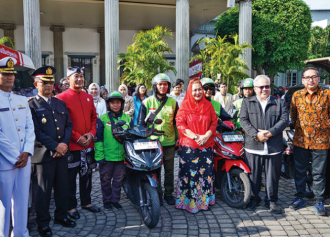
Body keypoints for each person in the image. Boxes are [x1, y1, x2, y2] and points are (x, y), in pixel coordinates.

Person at [29, 66, 75, 237]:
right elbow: (34, 131)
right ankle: (43, 224)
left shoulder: (59, 103)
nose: (49, 86)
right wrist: (55, 146)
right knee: (43, 192)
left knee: (63, 188)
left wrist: (63, 145)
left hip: (61, 154)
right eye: (44, 83)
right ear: (36, 84)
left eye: (51, 82)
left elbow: (68, 125)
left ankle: (61, 216)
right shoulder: (32, 105)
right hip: (43, 156)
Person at [240, 75, 289, 214]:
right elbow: (243, 120)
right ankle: (254, 198)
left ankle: (271, 200)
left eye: (267, 86)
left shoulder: (279, 102)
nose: (264, 89)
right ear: (255, 88)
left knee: (272, 175)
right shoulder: (247, 102)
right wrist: (256, 134)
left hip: (274, 146)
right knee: (253, 175)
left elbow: (284, 120)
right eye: (261, 87)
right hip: (253, 146)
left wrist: (270, 133)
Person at [57, 66, 100, 220]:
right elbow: (61, 123)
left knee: (87, 174)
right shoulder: (61, 98)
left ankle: (86, 202)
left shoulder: (88, 97)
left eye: (81, 76)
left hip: (88, 143)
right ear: (68, 79)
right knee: (70, 177)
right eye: (76, 76)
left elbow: (94, 118)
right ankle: (71, 206)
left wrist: (91, 134)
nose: (80, 79)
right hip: (72, 145)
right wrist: (76, 137)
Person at [0, 57, 35, 237]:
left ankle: (21, 234)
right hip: (5, 162)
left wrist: (27, 151)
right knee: (4, 205)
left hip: (24, 159)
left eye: (11, 74)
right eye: (5, 74)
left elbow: (30, 128)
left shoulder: (21, 100)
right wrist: (16, 155)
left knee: (22, 202)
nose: (9, 78)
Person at [290, 67, 330, 216]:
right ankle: (299, 197)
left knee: (319, 173)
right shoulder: (297, 95)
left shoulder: (327, 94)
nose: (310, 80)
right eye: (307, 77)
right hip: (301, 140)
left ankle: (319, 201)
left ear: (319, 79)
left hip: (322, 141)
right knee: (300, 171)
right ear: (303, 80)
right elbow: (293, 116)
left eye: (313, 77)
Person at [175, 79, 218, 213]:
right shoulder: (185, 105)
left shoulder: (208, 106)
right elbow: (180, 124)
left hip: (206, 145)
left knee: (205, 174)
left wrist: (205, 136)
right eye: (194, 90)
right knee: (190, 174)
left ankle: (204, 202)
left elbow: (214, 122)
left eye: (200, 89)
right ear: (189, 91)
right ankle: (189, 203)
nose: (197, 92)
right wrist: (195, 136)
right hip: (189, 147)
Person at [138, 74, 178, 205]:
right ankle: (157, 195)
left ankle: (168, 193)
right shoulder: (146, 102)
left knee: (169, 170)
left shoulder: (173, 102)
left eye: (165, 84)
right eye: (160, 84)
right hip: (152, 143)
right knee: (155, 170)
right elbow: (140, 125)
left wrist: (178, 139)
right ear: (155, 86)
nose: (163, 87)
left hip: (169, 142)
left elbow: (177, 123)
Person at [95, 91, 133, 211]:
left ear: (122, 104)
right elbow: (98, 139)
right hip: (107, 157)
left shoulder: (127, 119)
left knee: (118, 180)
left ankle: (115, 200)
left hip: (122, 157)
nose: (115, 105)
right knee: (105, 179)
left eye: (118, 103)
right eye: (112, 103)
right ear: (108, 104)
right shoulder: (102, 119)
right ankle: (106, 201)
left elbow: (132, 137)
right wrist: (100, 156)